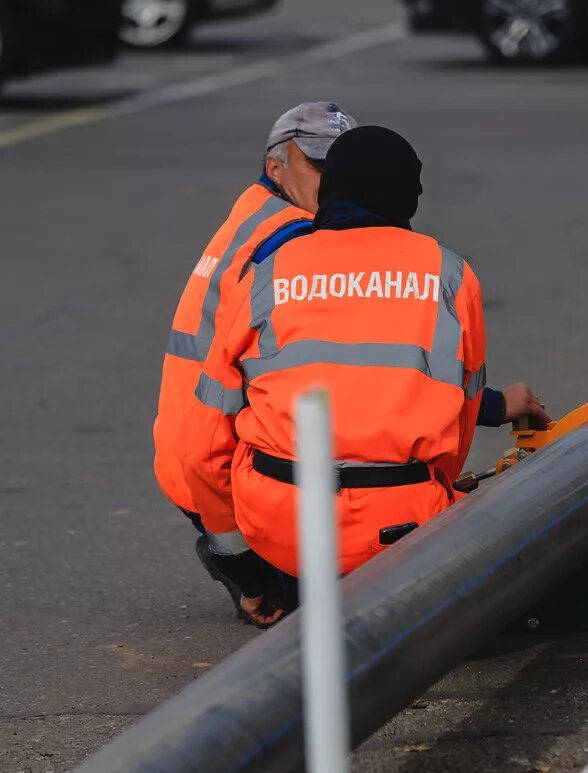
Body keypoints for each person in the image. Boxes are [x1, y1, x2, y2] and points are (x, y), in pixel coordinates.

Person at [182, 126, 550, 623]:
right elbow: (457, 423)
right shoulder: (450, 275)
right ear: (408, 197)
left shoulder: (266, 273)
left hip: (280, 523)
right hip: (402, 521)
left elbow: (205, 444)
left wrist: (246, 573)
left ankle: (293, 589)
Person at [153, 102, 357, 626]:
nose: (337, 183)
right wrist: (244, 567)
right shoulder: (293, 242)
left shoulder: (252, 212)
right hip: (218, 473)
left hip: (186, 457)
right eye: (319, 167)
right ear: (276, 167)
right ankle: (252, 565)